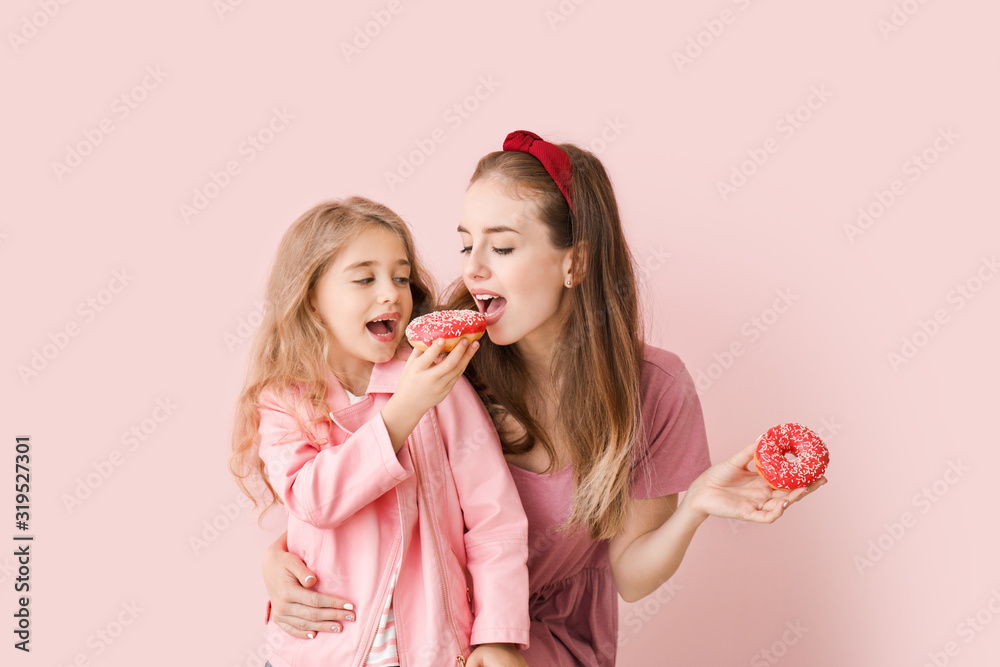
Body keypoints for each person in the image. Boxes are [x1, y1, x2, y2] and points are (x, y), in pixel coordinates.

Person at [260, 134, 828, 666]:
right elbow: (332, 464)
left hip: (548, 644)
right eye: (465, 243)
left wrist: (698, 503)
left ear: (573, 262)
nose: (472, 267)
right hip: (429, 632)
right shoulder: (439, 363)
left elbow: (630, 575)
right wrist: (278, 557)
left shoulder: (654, 388)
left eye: (502, 246)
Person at [230, 197, 532, 667]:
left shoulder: (438, 381)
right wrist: (401, 413)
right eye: (364, 278)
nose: (391, 293)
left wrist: (498, 635)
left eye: (400, 277)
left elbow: (494, 517)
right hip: (321, 652)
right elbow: (314, 501)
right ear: (311, 297)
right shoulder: (284, 400)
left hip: (431, 649)